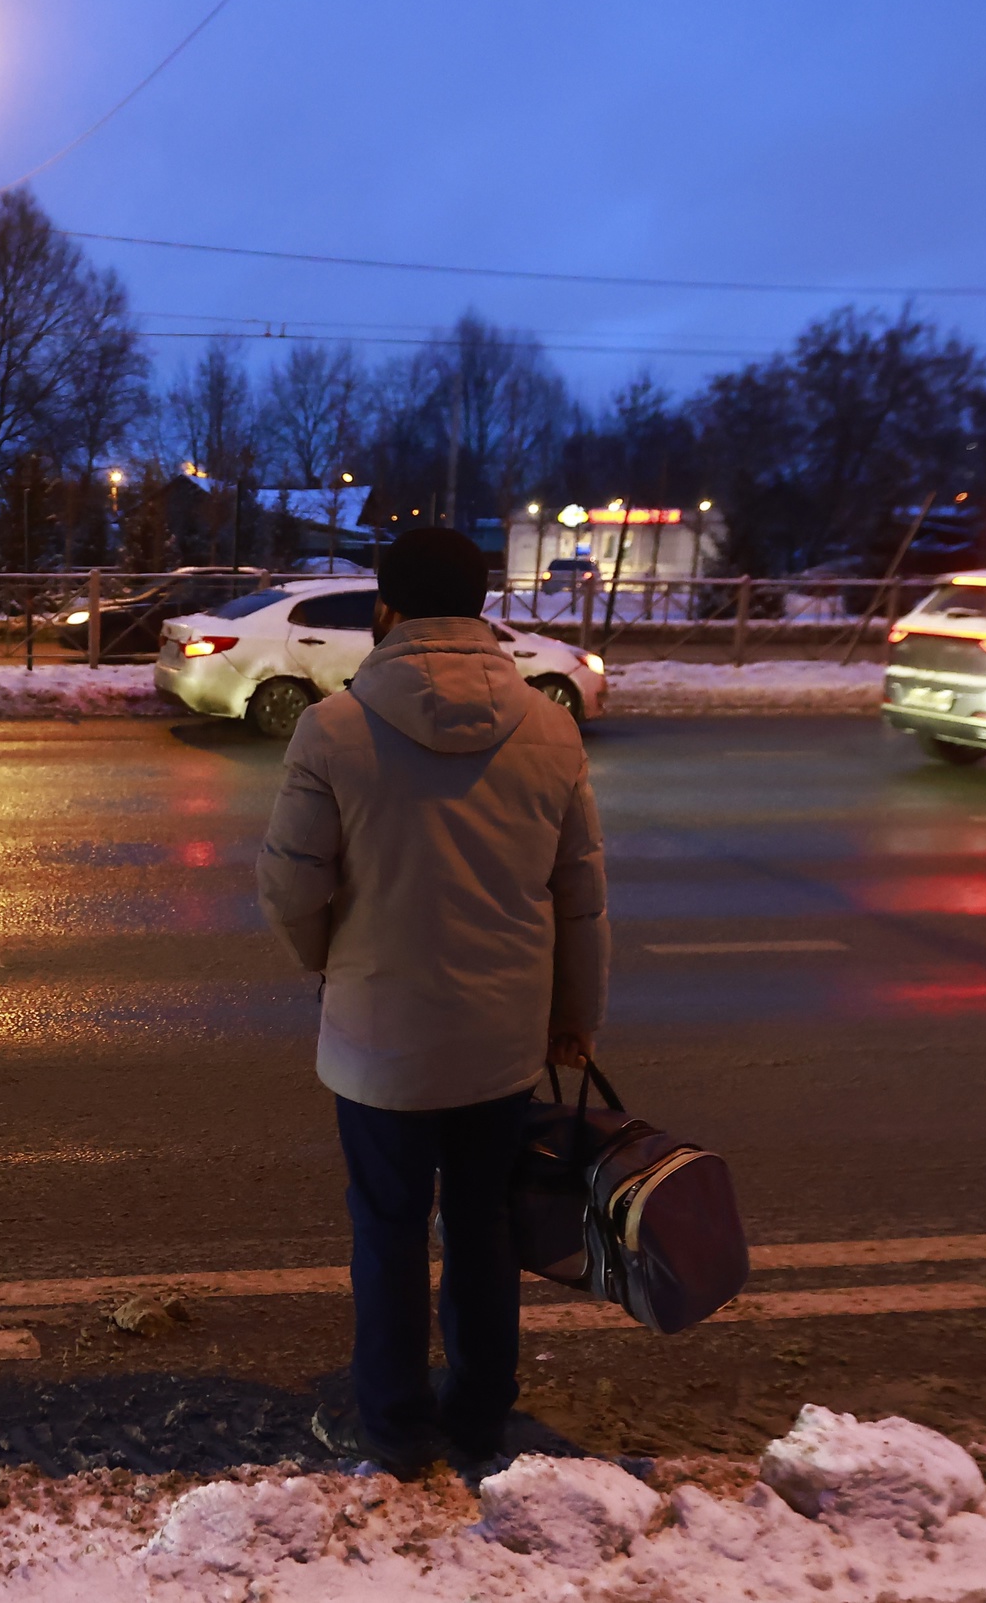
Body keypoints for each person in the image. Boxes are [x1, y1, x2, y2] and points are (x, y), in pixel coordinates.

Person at [256, 529, 608, 1477]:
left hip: (379, 1042)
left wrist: (333, 965)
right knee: (486, 1224)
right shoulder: (550, 727)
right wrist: (575, 1015)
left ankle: (396, 1425)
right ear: (483, 607)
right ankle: (482, 1413)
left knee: (388, 1225)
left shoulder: (332, 730)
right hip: (501, 1044)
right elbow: (577, 892)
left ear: (385, 612)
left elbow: (290, 889)